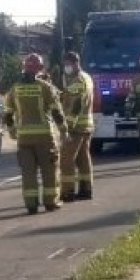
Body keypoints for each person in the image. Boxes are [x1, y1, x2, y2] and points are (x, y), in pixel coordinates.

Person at [1, 53, 66, 213]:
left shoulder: (14, 89)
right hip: (45, 137)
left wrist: (12, 132)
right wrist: (64, 130)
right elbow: (56, 111)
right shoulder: (45, 87)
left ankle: (31, 204)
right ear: (39, 69)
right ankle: (51, 202)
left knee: (28, 173)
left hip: (24, 139)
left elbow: (8, 115)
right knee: (49, 171)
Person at [58, 51, 96, 201]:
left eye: (67, 64)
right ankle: (86, 189)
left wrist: (67, 126)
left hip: (76, 127)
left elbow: (76, 104)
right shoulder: (87, 77)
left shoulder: (76, 81)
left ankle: (67, 192)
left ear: (75, 63)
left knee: (66, 160)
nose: (66, 67)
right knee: (83, 159)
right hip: (87, 125)